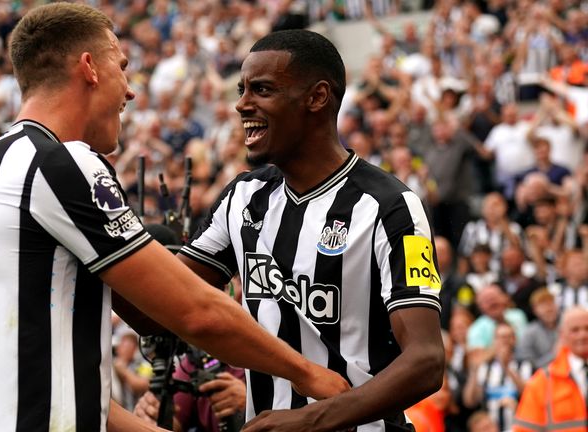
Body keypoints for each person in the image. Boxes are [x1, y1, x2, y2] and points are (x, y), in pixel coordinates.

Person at [0, 4, 346, 432]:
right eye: (123, 67)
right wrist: (312, 376)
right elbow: (196, 311)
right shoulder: (60, 163)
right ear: (90, 68)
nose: (130, 91)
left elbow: (66, 391)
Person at [175, 29, 445, 431]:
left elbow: (426, 361)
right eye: (242, 89)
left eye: (261, 90)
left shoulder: (390, 207)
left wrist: (309, 420)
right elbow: (167, 300)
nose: (241, 104)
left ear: (317, 98)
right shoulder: (244, 197)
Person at [513, 307, 588, 431]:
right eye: (575, 330)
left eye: (587, 328)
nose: (583, 335)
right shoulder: (541, 383)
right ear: (562, 335)